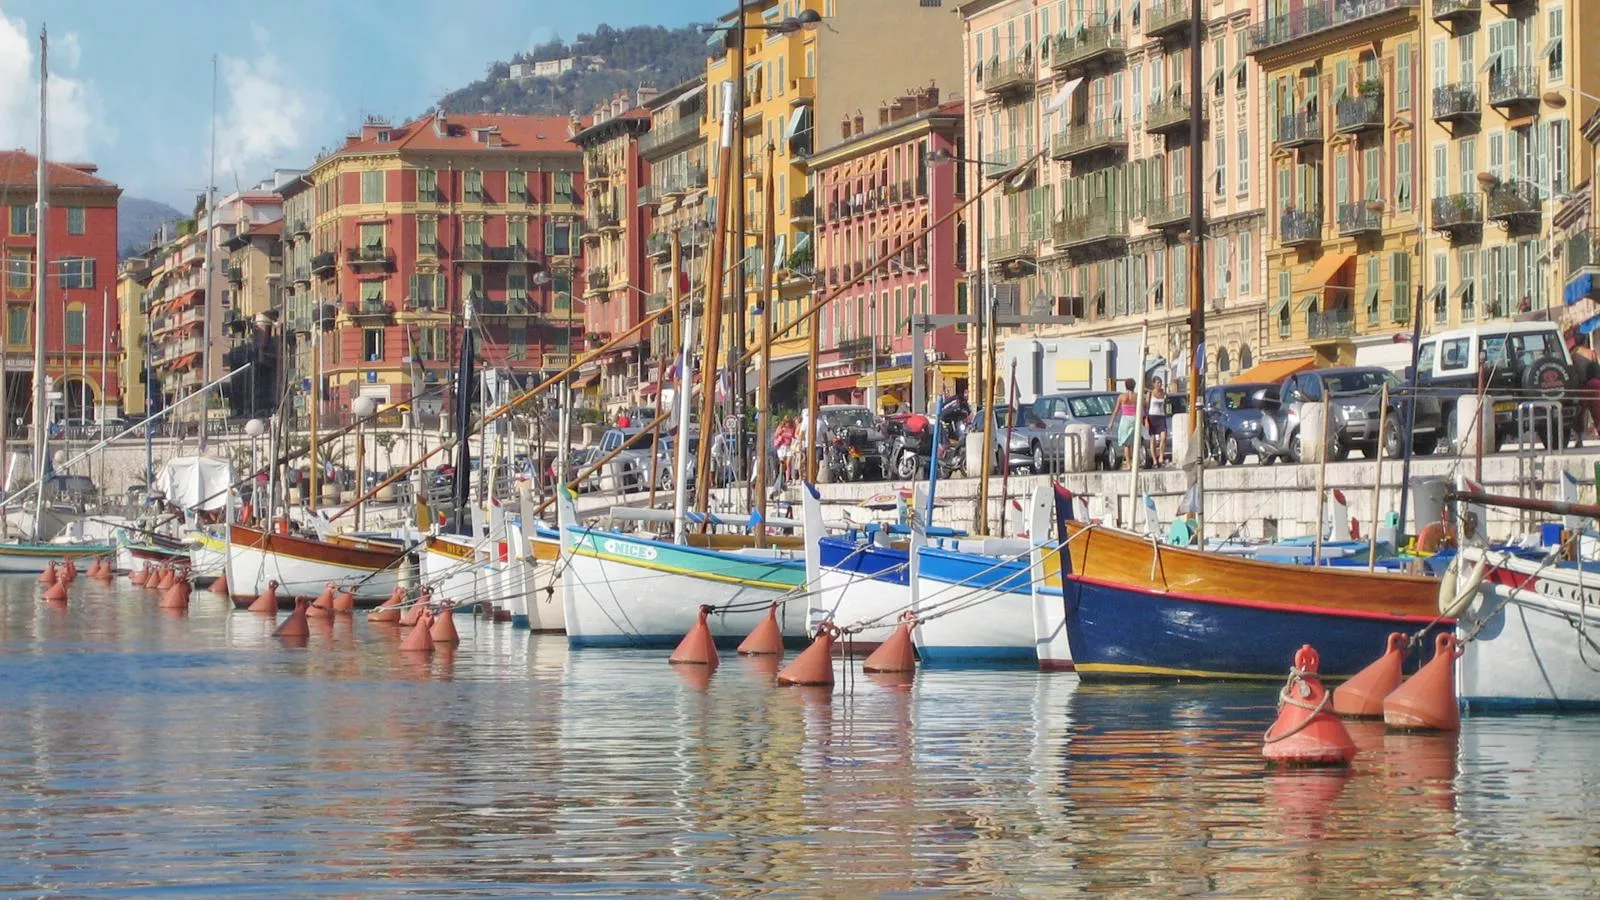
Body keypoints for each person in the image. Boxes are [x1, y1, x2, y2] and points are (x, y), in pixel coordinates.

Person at [1113, 378, 1138, 469]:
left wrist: (1111, 422)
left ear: (1125, 386)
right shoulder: (1137, 396)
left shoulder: (1122, 397)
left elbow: (1116, 411)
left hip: (1125, 419)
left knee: (1126, 444)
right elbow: (1143, 408)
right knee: (1134, 442)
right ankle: (1134, 462)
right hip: (1135, 419)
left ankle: (1128, 463)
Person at [1147, 376, 1170, 466]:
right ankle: (1154, 459)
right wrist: (1145, 419)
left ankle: (1161, 456)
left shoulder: (1164, 394)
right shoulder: (1150, 394)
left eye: (1160, 383)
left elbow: (1167, 405)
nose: (1159, 384)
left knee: (1163, 437)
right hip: (1152, 416)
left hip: (1161, 416)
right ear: (1154, 384)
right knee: (1152, 438)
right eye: (1157, 383)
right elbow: (1146, 407)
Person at [773, 417, 796, 485]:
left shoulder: (792, 428)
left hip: (789, 446)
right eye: (786, 423)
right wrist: (781, 431)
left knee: (788, 463)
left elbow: (794, 436)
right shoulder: (781, 427)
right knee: (782, 463)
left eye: (789, 422)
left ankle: (787, 479)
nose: (788, 424)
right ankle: (781, 477)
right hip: (782, 446)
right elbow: (775, 435)